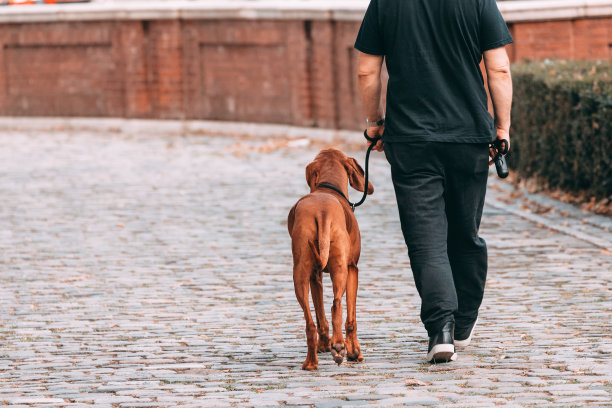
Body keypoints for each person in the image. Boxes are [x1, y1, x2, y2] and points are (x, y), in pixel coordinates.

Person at [355, 0, 513, 363]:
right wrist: (501, 127)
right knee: (465, 234)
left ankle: (440, 328)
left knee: (425, 240)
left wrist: (374, 121)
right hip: (469, 135)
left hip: (411, 140)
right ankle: (463, 322)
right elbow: (499, 69)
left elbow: (367, 71)